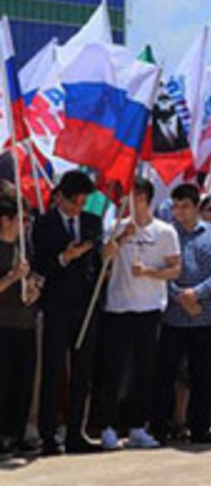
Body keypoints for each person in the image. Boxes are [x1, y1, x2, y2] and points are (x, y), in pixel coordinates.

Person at [94, 178, 182, 450]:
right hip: (118, 308)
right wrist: (123, 237)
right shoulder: (115, 226)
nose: (130, 203)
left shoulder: (165, 232)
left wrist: (149, 273)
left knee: (145, 372)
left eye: (135, 198)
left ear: (146, 200)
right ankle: (107, 426)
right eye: (127, 199)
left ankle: (137, 426)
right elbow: (105, 257)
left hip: (150, 309)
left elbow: (175, 269)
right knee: (112, 370)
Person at [153, 183, 211, 445]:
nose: (180, 211)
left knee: (203, 373)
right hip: (174, 316)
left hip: (205, 314)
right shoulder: (166, 235)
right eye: (176, 206)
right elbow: (159, 270)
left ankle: (201, 426)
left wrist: (197, 293)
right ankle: (160, 426)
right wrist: (180, 296)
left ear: (196, 206)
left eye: (185, 206)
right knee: (165, 373)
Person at [33, 170, 105, 454]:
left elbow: (98, 262)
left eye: (83, 203)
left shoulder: (92, 222)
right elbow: (41, 264)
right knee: (53, 371)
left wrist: (106, 253)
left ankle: (76, 432)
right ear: (60, 197)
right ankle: (48, 435)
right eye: (74, 202)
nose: (78, 209)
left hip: (86, 306)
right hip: (56, 305)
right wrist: (65, 257)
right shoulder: (45, 224)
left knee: (82, 371)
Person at [0, 195, 40, 459]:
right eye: (21, 219)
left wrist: (34, 288)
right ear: (5, 220)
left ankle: (17, 433)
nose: (25, 224)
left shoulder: (26, 246)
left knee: (23, 382)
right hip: (2, 325)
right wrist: (13, 276)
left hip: (26, 324)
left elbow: (35, 276)